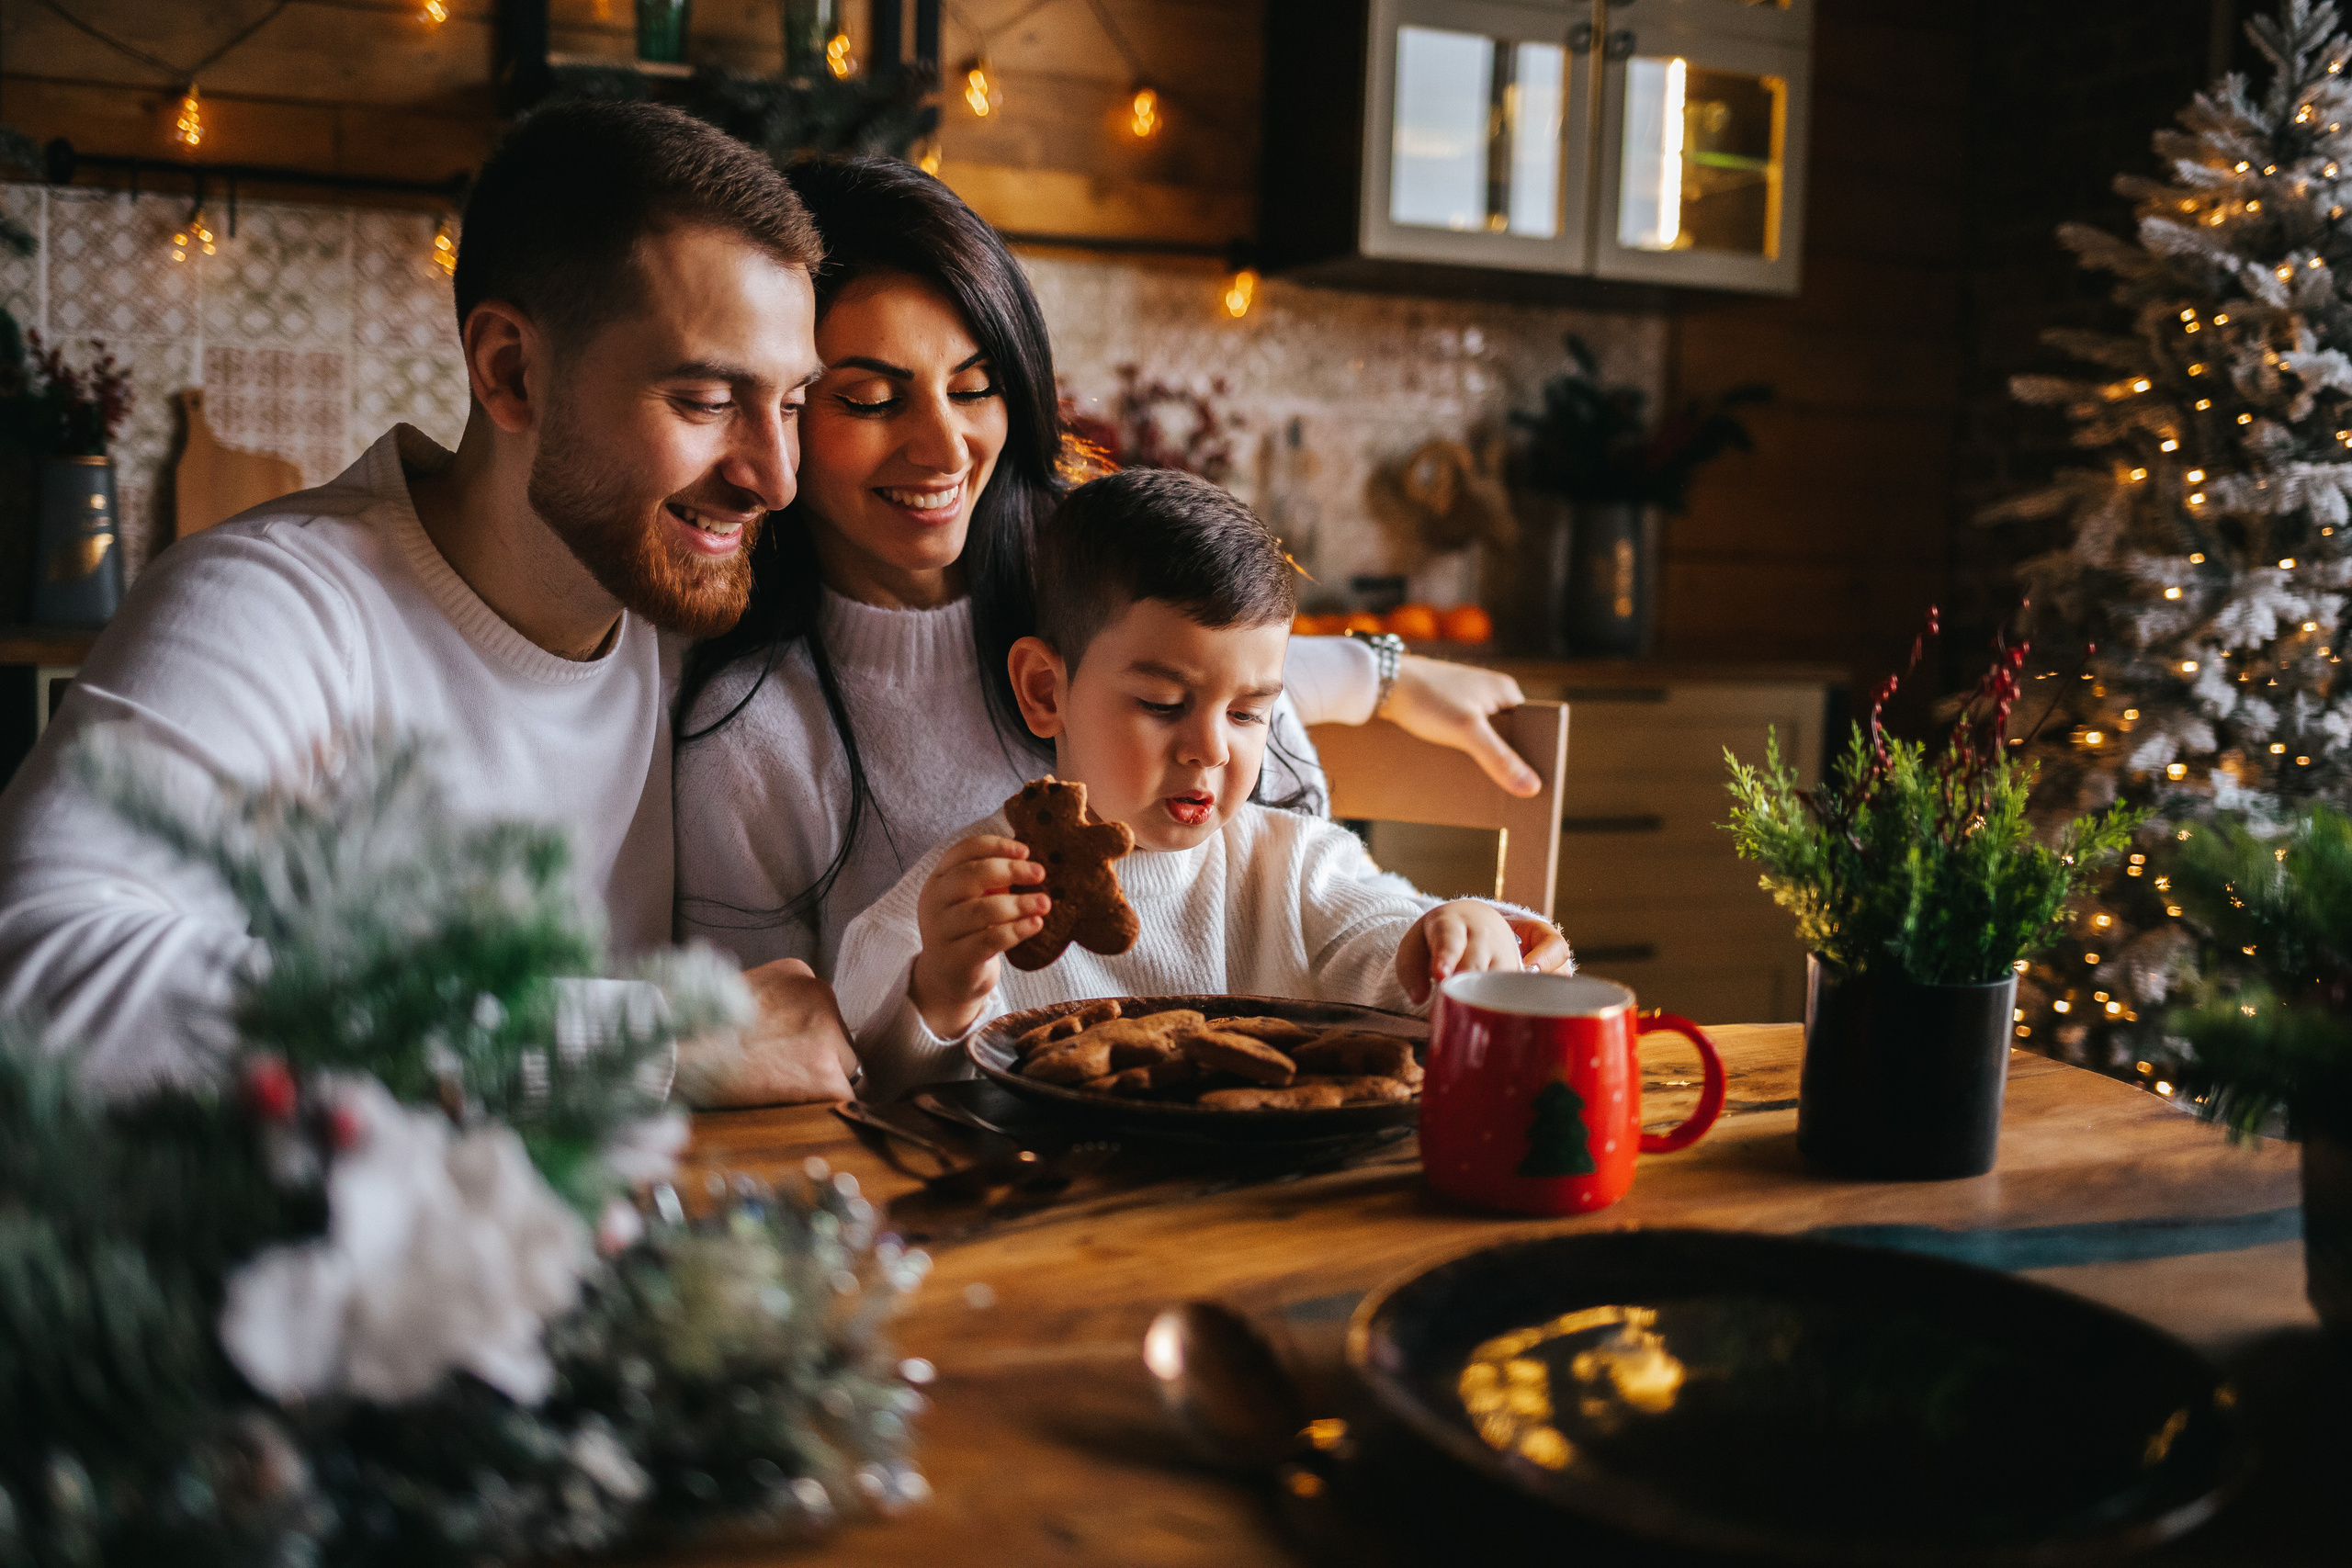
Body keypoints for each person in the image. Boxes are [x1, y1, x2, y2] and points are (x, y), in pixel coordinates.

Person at [0, 101, 857, 1100]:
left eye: (791, 404)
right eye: (706, 402)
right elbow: (37, 977)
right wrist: (644, 1038)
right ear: (511, 373)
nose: (776, 476)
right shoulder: (270, 605)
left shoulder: (684, 628)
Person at [673, 156, 1539, 995]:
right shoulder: (749, 738)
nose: (944, 449)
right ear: (777, 411)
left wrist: (1375, 680)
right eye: (869, 399)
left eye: (975, 389)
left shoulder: (1106, 569)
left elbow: (1317, 898)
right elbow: (774, 1056)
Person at [831, 468, 1573, 1098]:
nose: (1210, 749)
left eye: (1251, 713)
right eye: (1162, 704)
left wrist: (1455, 933)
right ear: (1046, 691)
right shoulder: (978, 888)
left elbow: (1383, 943)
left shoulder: (1293, 863)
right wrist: (941, 989)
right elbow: (876, 1077)